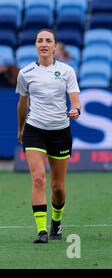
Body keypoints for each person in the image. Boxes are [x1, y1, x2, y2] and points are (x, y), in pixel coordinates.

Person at [16, 29, 81, 244]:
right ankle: (42, 231)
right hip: (35, 131)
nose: (44, 44)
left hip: (60, 132)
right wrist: (21, 129)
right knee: (38, 178)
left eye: (48, 41)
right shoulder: (25, 72)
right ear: (35, 45)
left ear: (55, 46)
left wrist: (76, 110)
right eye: (40, 40)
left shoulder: (67, 71)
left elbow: (76, 100)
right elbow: (22, 105)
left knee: (58, 187)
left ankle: (57, 220)